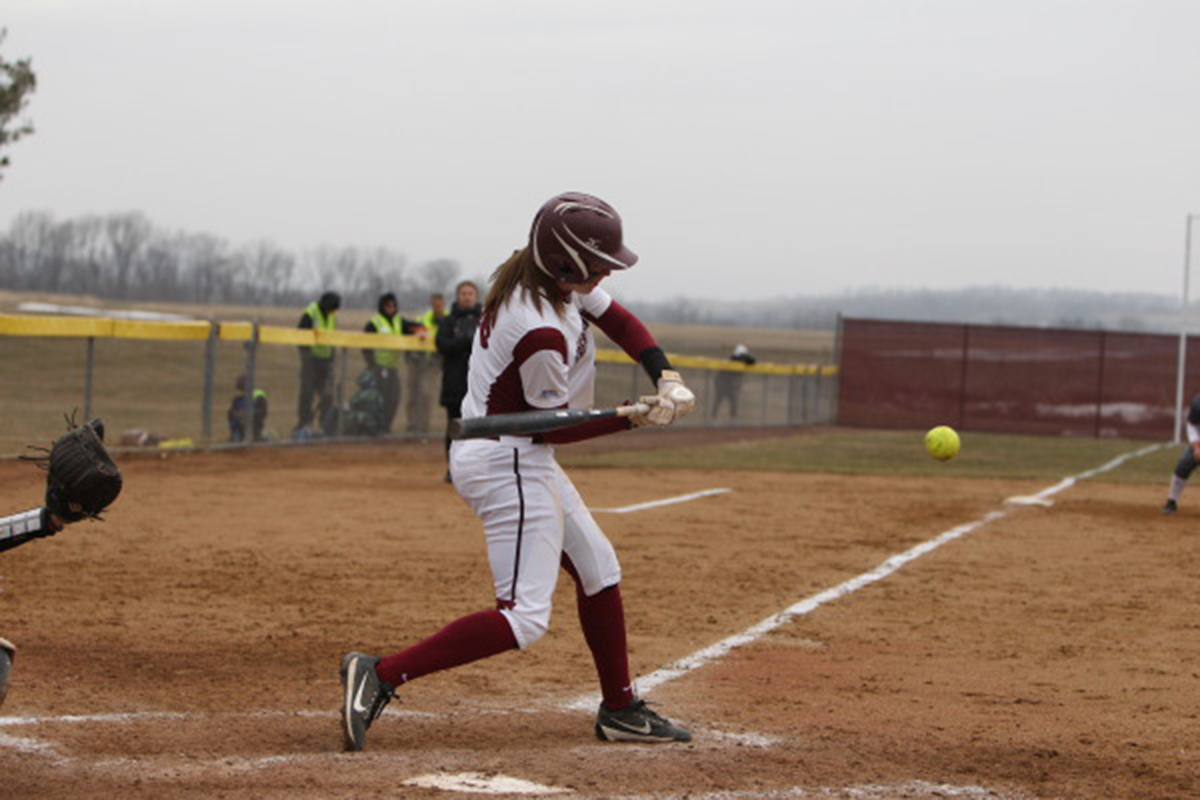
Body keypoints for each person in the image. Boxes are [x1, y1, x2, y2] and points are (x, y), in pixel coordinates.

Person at [338, 192, 698, 752]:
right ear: (566, 262)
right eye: (598, 262)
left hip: (517, 448)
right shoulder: (540, 330)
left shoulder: (551, 283)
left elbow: (619, 320)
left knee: (599, 568)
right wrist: (632, 419)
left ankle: (620, 708)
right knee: (524, 618)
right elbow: (549, 428)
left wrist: (664, 374)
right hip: (507, 456)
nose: (606, 272)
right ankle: (380, 674)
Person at [435, 280, 482, 479]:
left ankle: (475, 468)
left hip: (478, 384)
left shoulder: (484, 319)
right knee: (454, 427)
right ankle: (452, 468)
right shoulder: (448, 321)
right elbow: (442, 344)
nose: (467, 296)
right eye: (463, 293)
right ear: (457, 296)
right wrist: (464, 341)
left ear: (476, 296)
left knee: (479, 428)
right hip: (454, 382)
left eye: (470, 293)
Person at [362, 292, 425, 433]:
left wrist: (420, 332)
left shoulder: (399, 321)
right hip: (378, 368)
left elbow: (415, 327)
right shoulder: (374, 322)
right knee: (379, 399)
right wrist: (371, 364)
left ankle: (386, 426)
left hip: (393, 367)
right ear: (382, 306)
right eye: (387, 305)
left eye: (393, 305)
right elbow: (365, 345)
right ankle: (376, 427)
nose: (391, 308)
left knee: (394, 397)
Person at [295, 292, 340, 436]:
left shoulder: (332, 316)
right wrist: (306, 357)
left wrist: (332, 357)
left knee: (327, 394)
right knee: (307, 393)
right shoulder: (311, 312)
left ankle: (325, 426)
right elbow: (301, 335)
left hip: (325, 360)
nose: (333, 311)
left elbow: (333, 337)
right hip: (311, 359)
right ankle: (304, 423)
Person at [405, 293, 445, 434]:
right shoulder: (423, 319)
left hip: (433, 363)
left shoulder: (447, 320)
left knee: (426, 395)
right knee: (413, 394)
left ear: (443, 304)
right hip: (417, 361)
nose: (437, 306)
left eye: (439, 303)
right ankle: (412, 426)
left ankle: (423, 428)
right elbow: (411, 332)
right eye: (434, 303)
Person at [1161, 394, 1200, 514]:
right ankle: (1172, 501)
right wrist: (1197, 447)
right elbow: (1192, 425)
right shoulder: (1198, 403)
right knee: (1184, 464)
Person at [711, 344, 757, 421]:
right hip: (723, 383)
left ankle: (732, 418)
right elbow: (747, 360)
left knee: (733, 401)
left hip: (729, 384)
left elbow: (752, 361)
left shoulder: (737, 359)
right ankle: (714, 417)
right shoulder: (734, 359)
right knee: (719, 400)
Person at [227, 375, 269, 442]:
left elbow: (262, 413)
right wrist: (238, 414)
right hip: (240, 426)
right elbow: (232, 412)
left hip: (254, 426)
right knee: (230, 413)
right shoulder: (238, 398)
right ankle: (236, 434)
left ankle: (260, 436)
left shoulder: (258, 396)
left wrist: (247, 414)